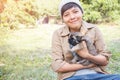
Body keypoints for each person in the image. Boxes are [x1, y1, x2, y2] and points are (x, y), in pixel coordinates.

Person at [51, 0, 120, 80]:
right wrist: (90, 65)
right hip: (71, 77)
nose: (72, 17)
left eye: (75, 12)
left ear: (82, 12)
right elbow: (57, 66)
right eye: (66, 15)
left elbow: (104, 60)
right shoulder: (58, 34)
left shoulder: (94, 29)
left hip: (97, 75)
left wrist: (87, 55)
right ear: (63, 19)